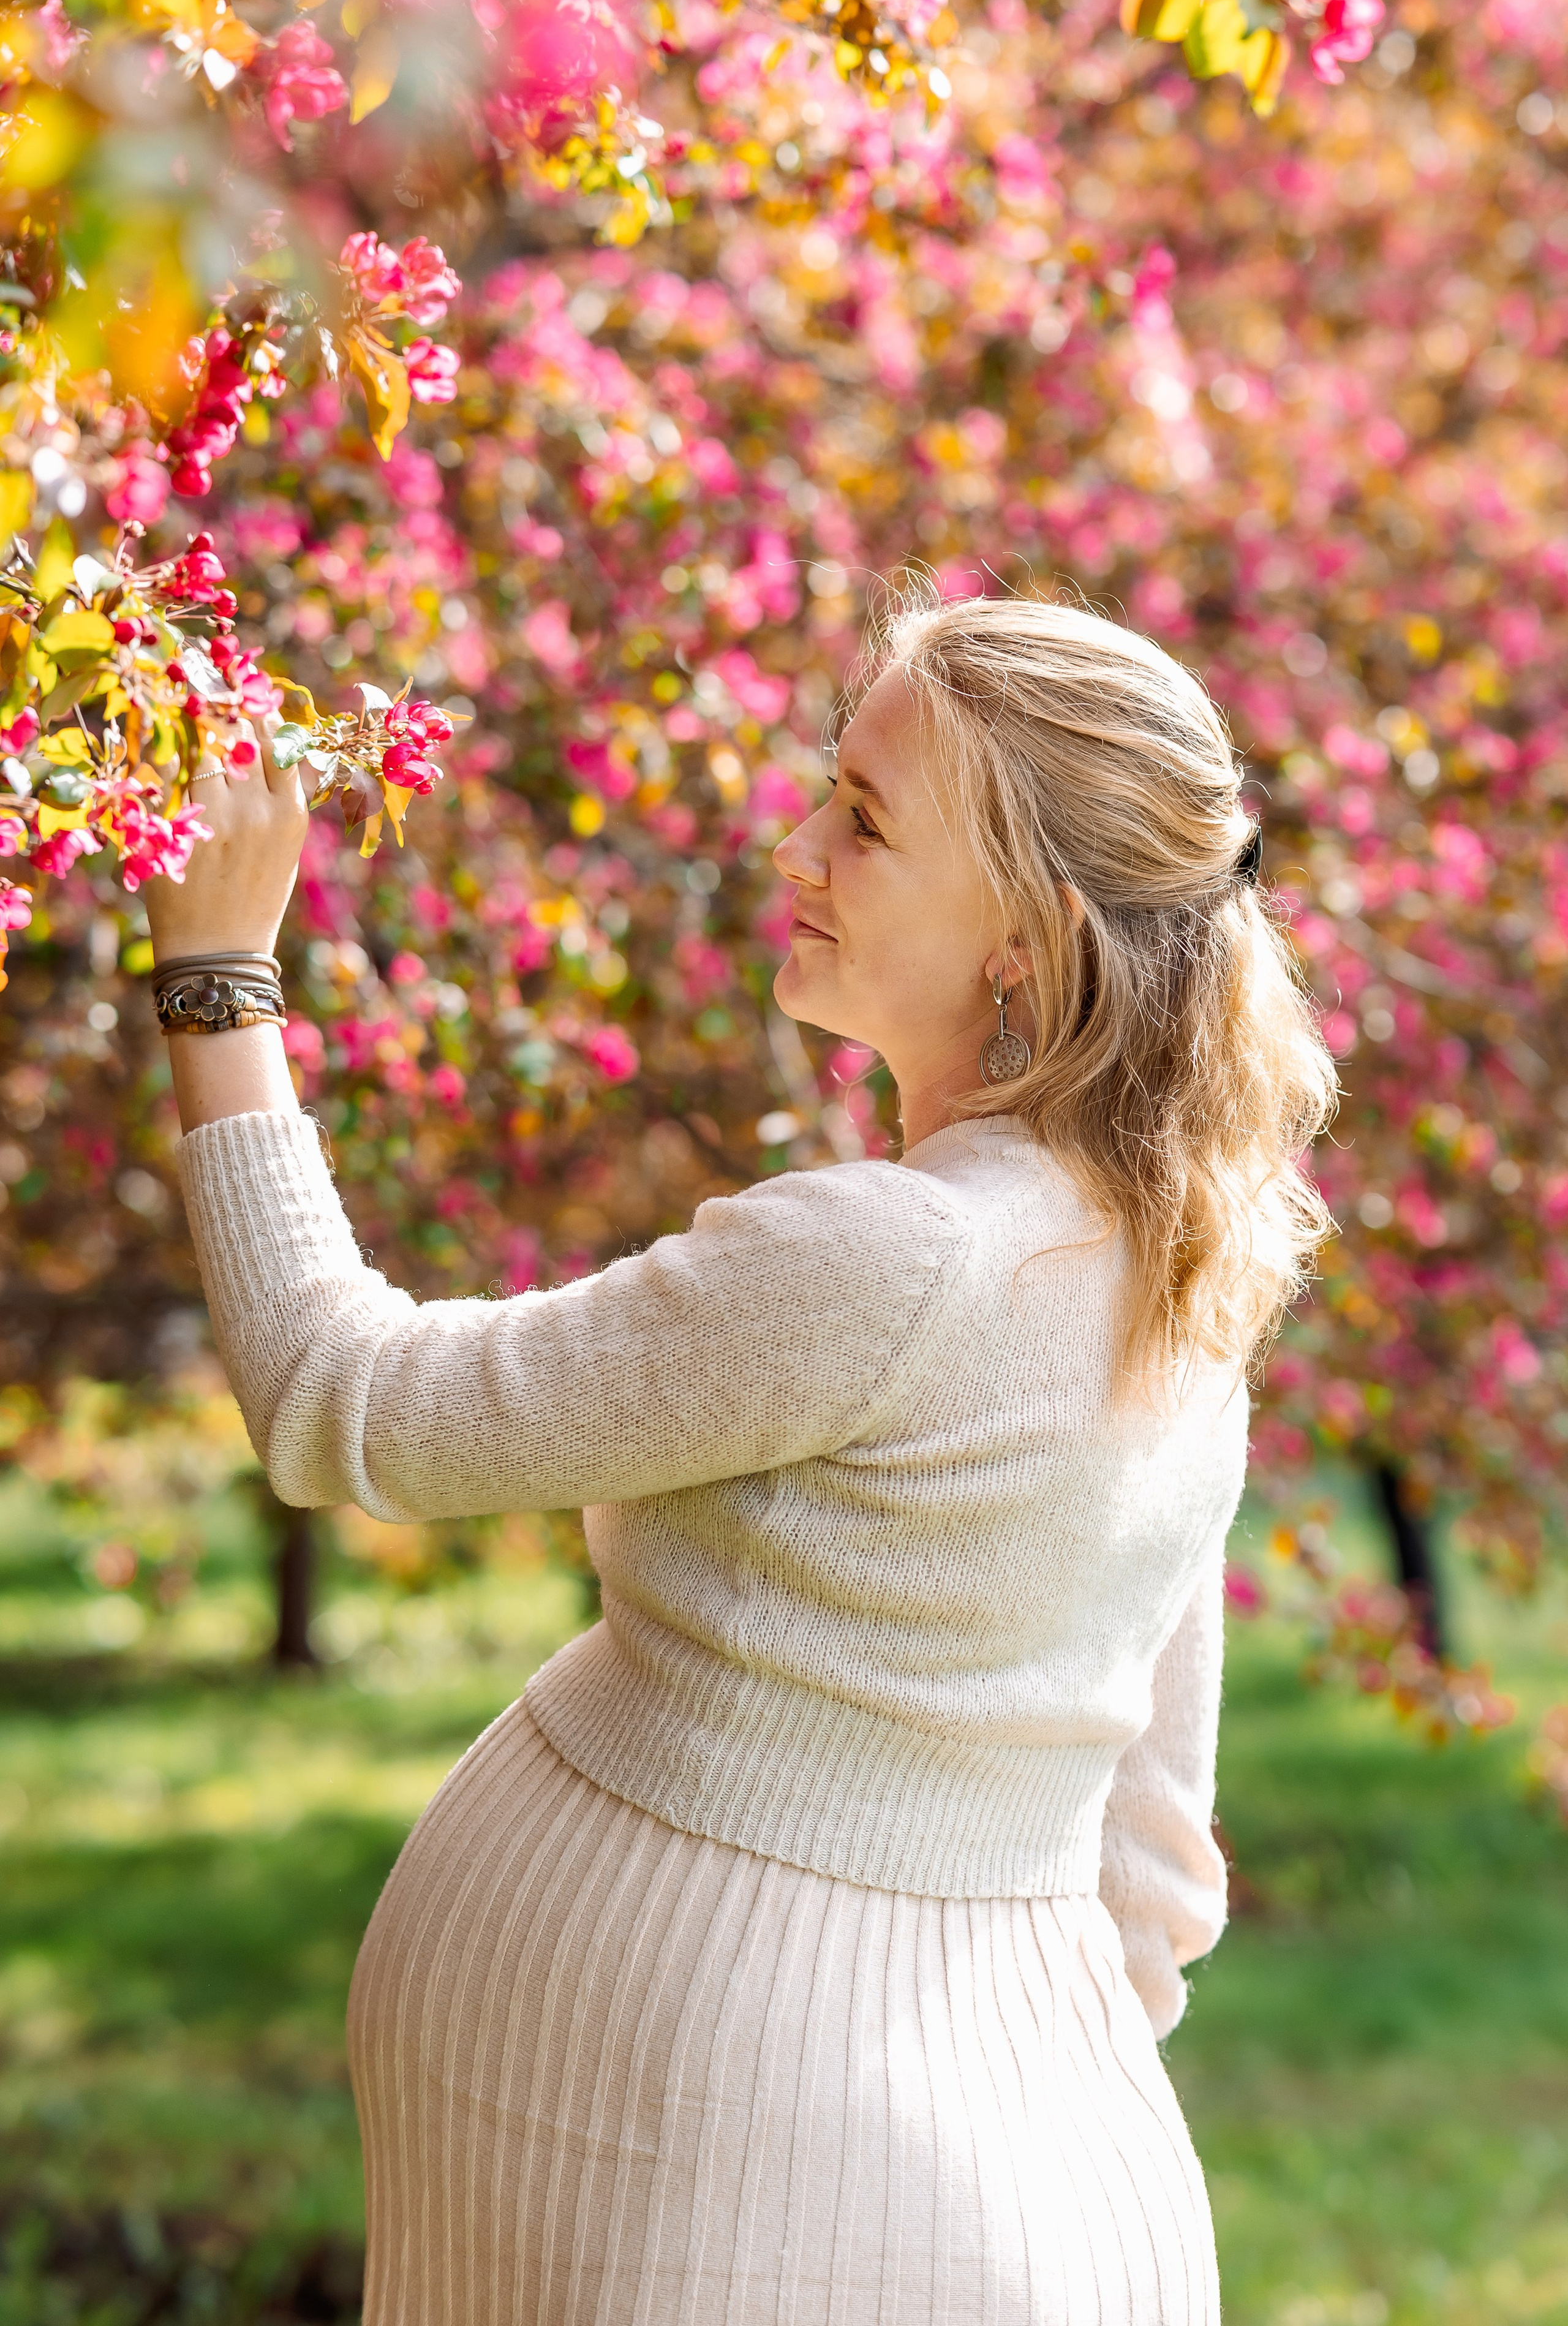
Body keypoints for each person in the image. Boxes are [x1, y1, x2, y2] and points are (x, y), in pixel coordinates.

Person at [151, 592, 1336, 2326]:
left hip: (734, 2194)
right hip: (947, 2183)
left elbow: (347, 1403)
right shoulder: (1176, 1254)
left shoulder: (901, 1255)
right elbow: (1151, 1853)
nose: (797, 844)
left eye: (864, 820)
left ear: (1028, 932)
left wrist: (217, 977)